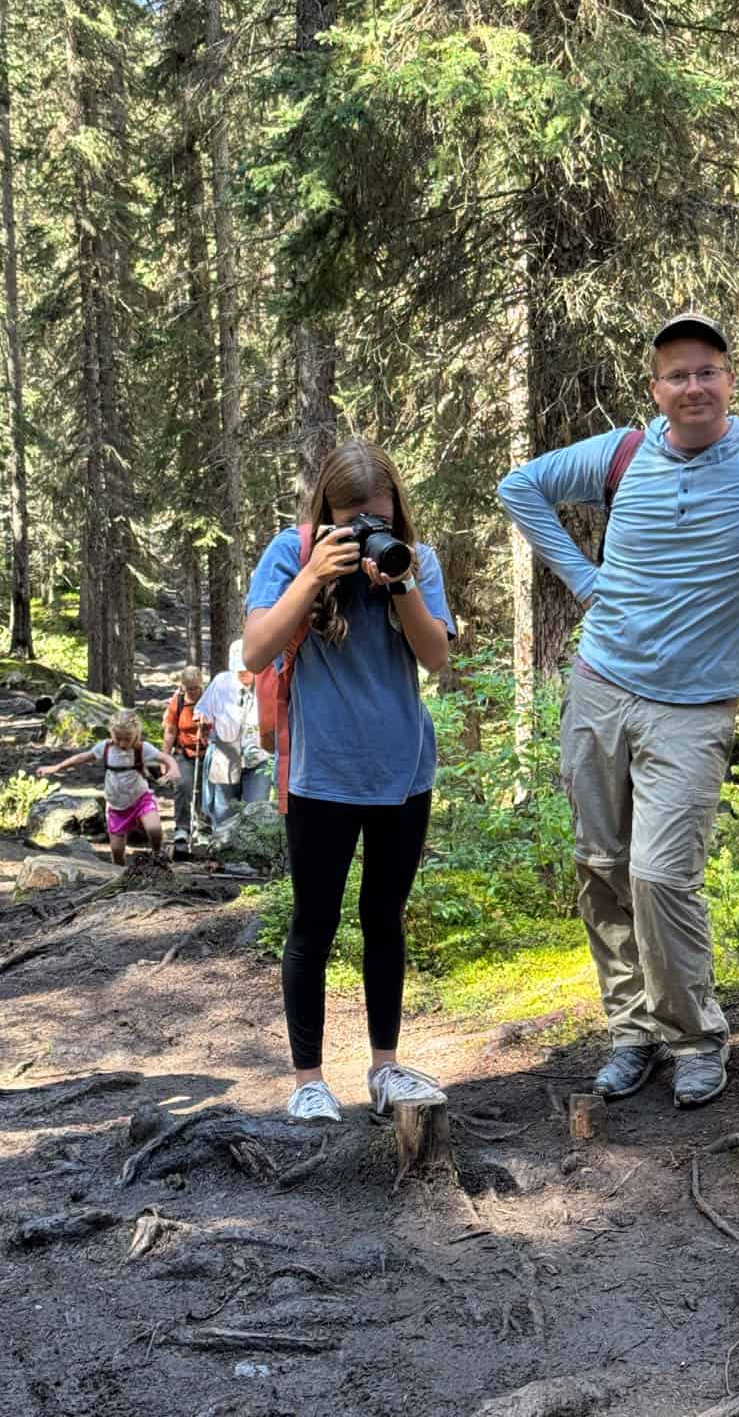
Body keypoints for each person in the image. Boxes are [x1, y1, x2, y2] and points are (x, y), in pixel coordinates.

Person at [497, 313, 739, 1111]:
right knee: (602, 867)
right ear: (656, 389)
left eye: (707, 371)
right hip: (601, 688)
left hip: (695, 709)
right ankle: (631, 1033)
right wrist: (583, 580)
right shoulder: (622, 454)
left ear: (730, 381)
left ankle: (696, 1038)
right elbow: (520, 487)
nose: (694, 386)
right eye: (677, 375)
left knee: (660, 874)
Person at [242, 437, 455, 1124]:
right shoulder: (291, 553)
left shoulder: (415, 560)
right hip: (322, 775)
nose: (367, 530)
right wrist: (314, 576)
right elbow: (255, 651)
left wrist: (401, 583)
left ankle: (385, 1068)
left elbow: (436, 659)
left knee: (383, 919)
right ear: (326, 514)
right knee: (315, 922)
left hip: (403, 773)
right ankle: (309, 1080)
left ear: (396, 510)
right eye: (353, 519)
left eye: (378, 518)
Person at [37, 708, 180, 866]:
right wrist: (55, 768)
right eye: (118, 738)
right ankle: (120, 873)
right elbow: (81, 758)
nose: (122, 743)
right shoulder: (105, 748)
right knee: (117, 851)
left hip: (141, 800)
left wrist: (173, 769)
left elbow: (165, 758)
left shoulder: (142, 748)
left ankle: (157, 855)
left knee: (154, 829)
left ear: (136, 734)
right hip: (116, 807)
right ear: (111, 733)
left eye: (127, 739)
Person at [194, 641, 272, 839]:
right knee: (224, 811)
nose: (245, 675)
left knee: (257, 809)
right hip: (226, 754)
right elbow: (202, 709)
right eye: (240, 671)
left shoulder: (266, 682)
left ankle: (252, 853)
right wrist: (202, 719)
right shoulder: (221, 682)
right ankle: (223, 849)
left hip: (259, 755)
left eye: (248, 670)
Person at [163, 665, 205, 861]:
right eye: (189, 688)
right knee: (182, 787)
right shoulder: (178, 702)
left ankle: (203, 828)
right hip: (184, 752)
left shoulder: (209, 698)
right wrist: (165, 758)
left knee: (204, 792)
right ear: (183, 687)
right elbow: (170, 731)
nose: (193, 692)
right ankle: (182, 829)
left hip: (206, 752)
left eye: (196, 687)